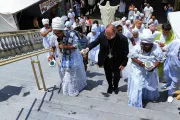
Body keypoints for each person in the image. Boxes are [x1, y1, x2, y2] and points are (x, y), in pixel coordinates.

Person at [81, 24, 129, 94]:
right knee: (108, 73)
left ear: (115, 32)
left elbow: (126, 52)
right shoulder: (102, 35)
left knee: (117, 74)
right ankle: (110, 85)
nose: (107, 37)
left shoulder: (122, 39)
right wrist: (87, 49)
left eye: (110, 35)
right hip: (105, 59)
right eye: (107, 34)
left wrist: (124, 63)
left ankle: (115, 86)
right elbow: (94, 43)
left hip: (117, 59)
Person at [48, 17, 87, 96]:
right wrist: (51, 55)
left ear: (63, 30)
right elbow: (53, 46)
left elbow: (75, 46)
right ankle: (68, 88)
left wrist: (64, 47)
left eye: (58, 33)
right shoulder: (53, 36)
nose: (56, 35)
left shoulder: (71, 34)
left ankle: (72, 91)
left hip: (72, 58)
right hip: (61, 58)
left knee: (70, 75)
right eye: (55, 33)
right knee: (63, 73)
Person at [128, 29, 165, 108]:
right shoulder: (137, 47)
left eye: (147, 45)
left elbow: (160, 59)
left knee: (147, 83)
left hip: (150, 69)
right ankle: (136, 101)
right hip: (137, 68)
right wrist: (140, 63)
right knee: (137, 84)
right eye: (143, 44)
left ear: (151, 44)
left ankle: (145, 96)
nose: (144, 46)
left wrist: (154, 67)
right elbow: (132, 57)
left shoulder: (156, 48)